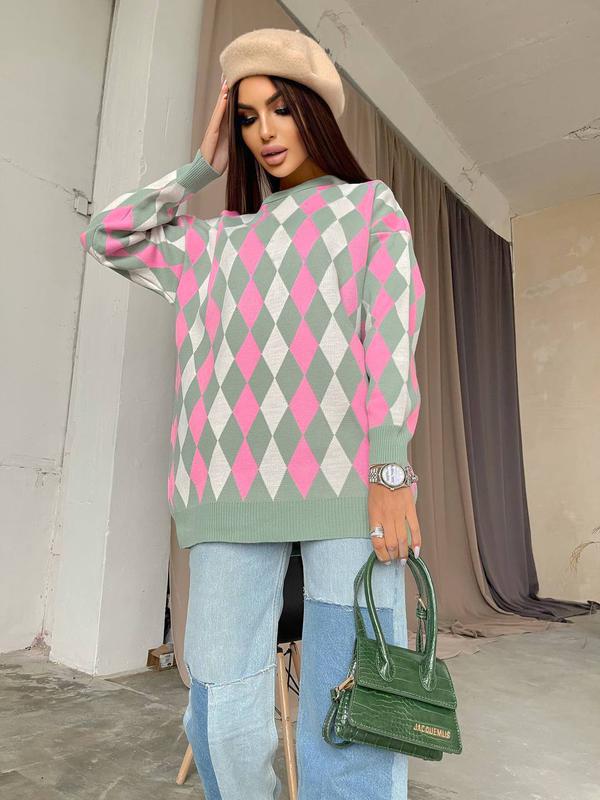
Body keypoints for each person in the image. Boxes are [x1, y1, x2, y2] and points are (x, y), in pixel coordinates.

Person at [80, 26, 425, 800]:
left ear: (315, 113)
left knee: (356, 710)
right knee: (222, 716)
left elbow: (390, 343)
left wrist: (390, 472)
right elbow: (108, 235)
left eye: (281, 108)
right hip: (228, 494)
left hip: (349, 491)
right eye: (246, 116)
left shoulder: (368, 208)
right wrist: (199, 166)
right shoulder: (214, 243)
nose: (264, 131)